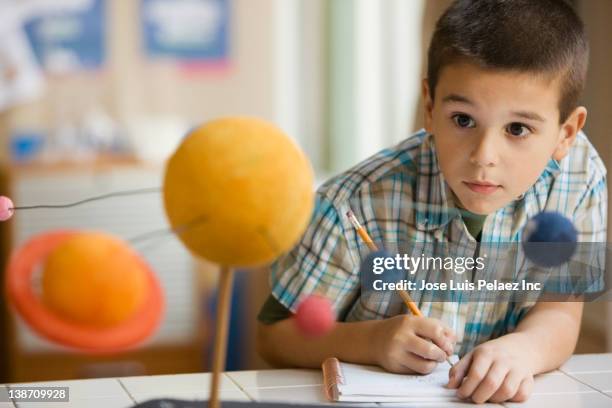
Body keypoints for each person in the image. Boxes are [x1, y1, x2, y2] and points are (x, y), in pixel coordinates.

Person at [256, 0, 606, 404]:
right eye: (462, 119)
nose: (483, 156)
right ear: (429, 105)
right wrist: (371, 342)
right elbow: (274, 336)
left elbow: (561, 312)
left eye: (517, 128)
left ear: (566, 133)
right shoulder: (354, 203)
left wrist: (524, 350)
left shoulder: (580, 177)